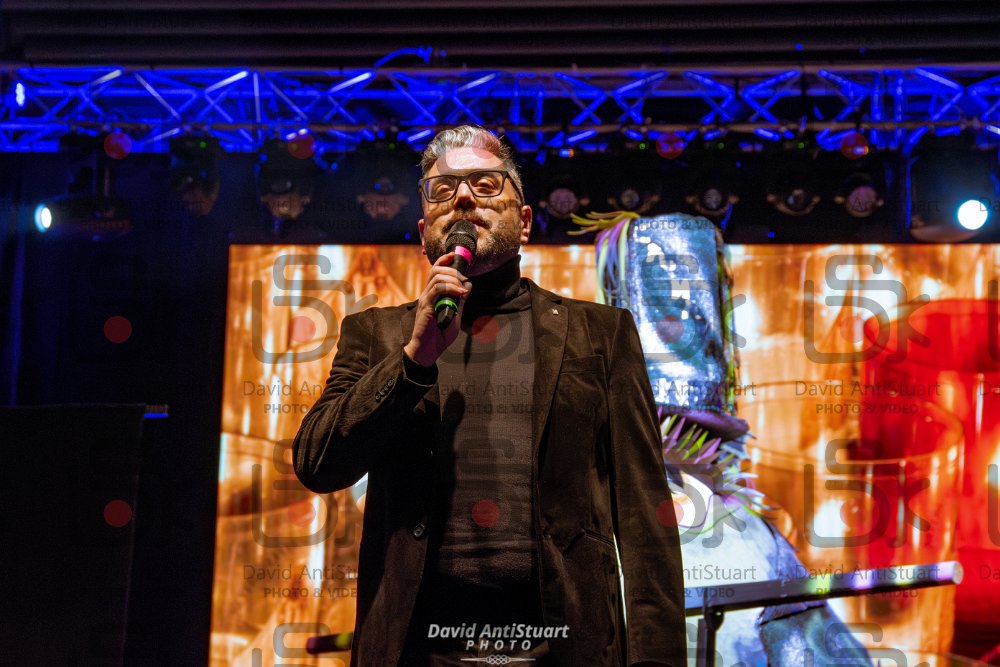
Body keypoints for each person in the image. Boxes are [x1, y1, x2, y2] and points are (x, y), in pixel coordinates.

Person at [293, 125, 685, 667]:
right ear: (423, 232)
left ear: (524, 222)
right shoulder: (377, 334)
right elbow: (318, 463)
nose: (462, 197)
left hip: (562, 649)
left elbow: (645, 515)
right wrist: (413, 360)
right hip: (419, 652)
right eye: (442, 189)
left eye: (485, 184)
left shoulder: (601, 334)